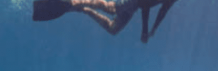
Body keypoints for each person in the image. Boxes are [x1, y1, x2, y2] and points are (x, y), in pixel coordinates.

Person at [32, 0, 178, 43]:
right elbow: (146, 6)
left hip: (134, 7)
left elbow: (163, 12)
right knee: (111, 8)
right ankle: (73, 2)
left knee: (113, 29)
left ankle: (84, 9)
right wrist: (145, 30)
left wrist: (154, 29)